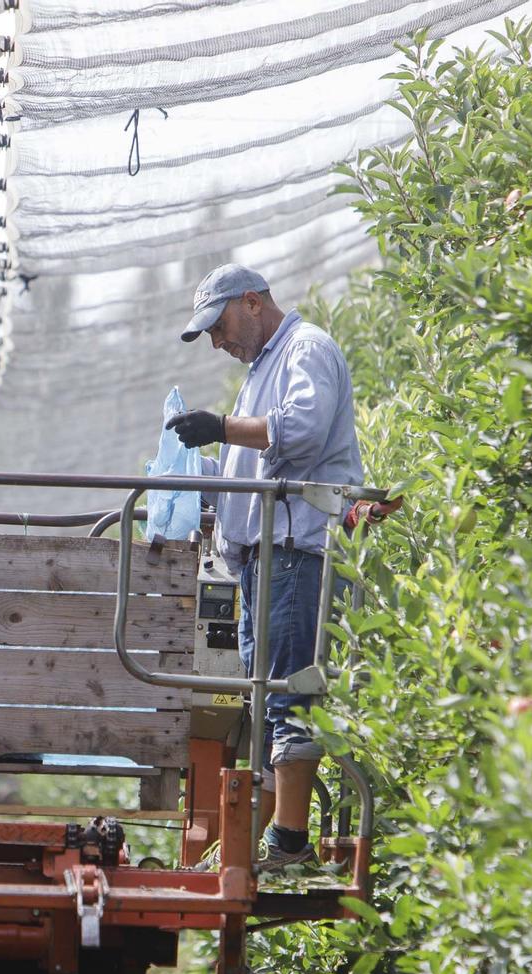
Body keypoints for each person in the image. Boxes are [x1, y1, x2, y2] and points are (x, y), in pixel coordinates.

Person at [167, 263, 363, 870]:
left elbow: (299, 434)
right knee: (266, 696)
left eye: (219, 326)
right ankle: (268, 841)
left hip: (294, 551)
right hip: (261, 557)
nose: (218, 342)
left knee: (288, 694)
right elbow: (251, 467)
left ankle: (290, 842)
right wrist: (185, 483)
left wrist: (220, 427)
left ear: (251, 302)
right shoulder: (262, 372)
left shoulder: (306, 350)